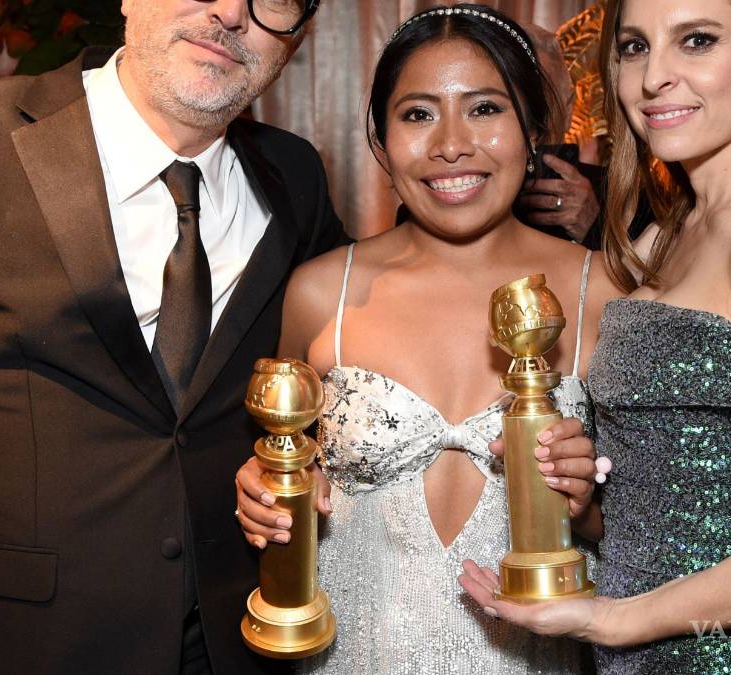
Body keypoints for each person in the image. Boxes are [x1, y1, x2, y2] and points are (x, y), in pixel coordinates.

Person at [0, 1, 344, 673]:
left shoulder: (295, 175)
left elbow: (343, 369)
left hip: (236, 641)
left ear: (297, 38)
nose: (230, 11)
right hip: (14, 644)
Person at [460, 0, 731, 672]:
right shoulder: (672, 229)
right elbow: (675, 507)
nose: (652, 77)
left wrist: (614, 619)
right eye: (635, 47)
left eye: (696, 40)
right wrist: (584, 502)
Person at [235, 5, 621, 673]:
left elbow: (660, 536)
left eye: (484, 109)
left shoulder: (604, 292)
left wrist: (586, 508)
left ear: (534, 131)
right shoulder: (322, 293)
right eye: (417, 114)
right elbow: (279, 461)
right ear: (382, 144)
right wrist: (263, 489)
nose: (450, 145)